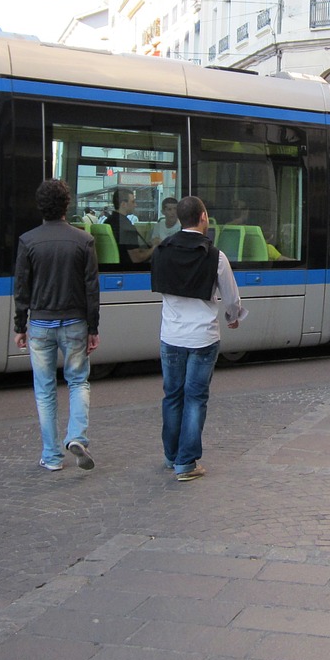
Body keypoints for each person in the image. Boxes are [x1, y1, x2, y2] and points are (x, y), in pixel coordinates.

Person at [150, 195, 246, 482]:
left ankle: (171, 456)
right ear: (203, 217)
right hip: (203, 338)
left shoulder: (162, 250)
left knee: (172, 396)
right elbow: (231, 297)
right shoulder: (215, 255)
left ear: (180, 218)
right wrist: (233, 317)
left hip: (171, 335)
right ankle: (187, 463)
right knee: (195, 398)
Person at [13, 178, 101, 471]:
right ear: (67, 205)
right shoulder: (84, 240)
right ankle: (76, 436)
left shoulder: (28, 240)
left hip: (39, 324)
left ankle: (51, 456)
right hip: (75, 322)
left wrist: (20, 325)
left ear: (40, 206)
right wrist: (93, 328)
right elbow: (92, 288)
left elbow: (22, 288)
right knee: (78, 381)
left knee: (45, 390)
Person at [104, 187, 153, 267]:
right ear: (123, 204)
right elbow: (136, 258)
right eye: (133, 202)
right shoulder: (126, 227)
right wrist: (154, 248)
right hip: (129, 270)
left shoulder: (108, 221)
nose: (135, 205)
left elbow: (124, 248)